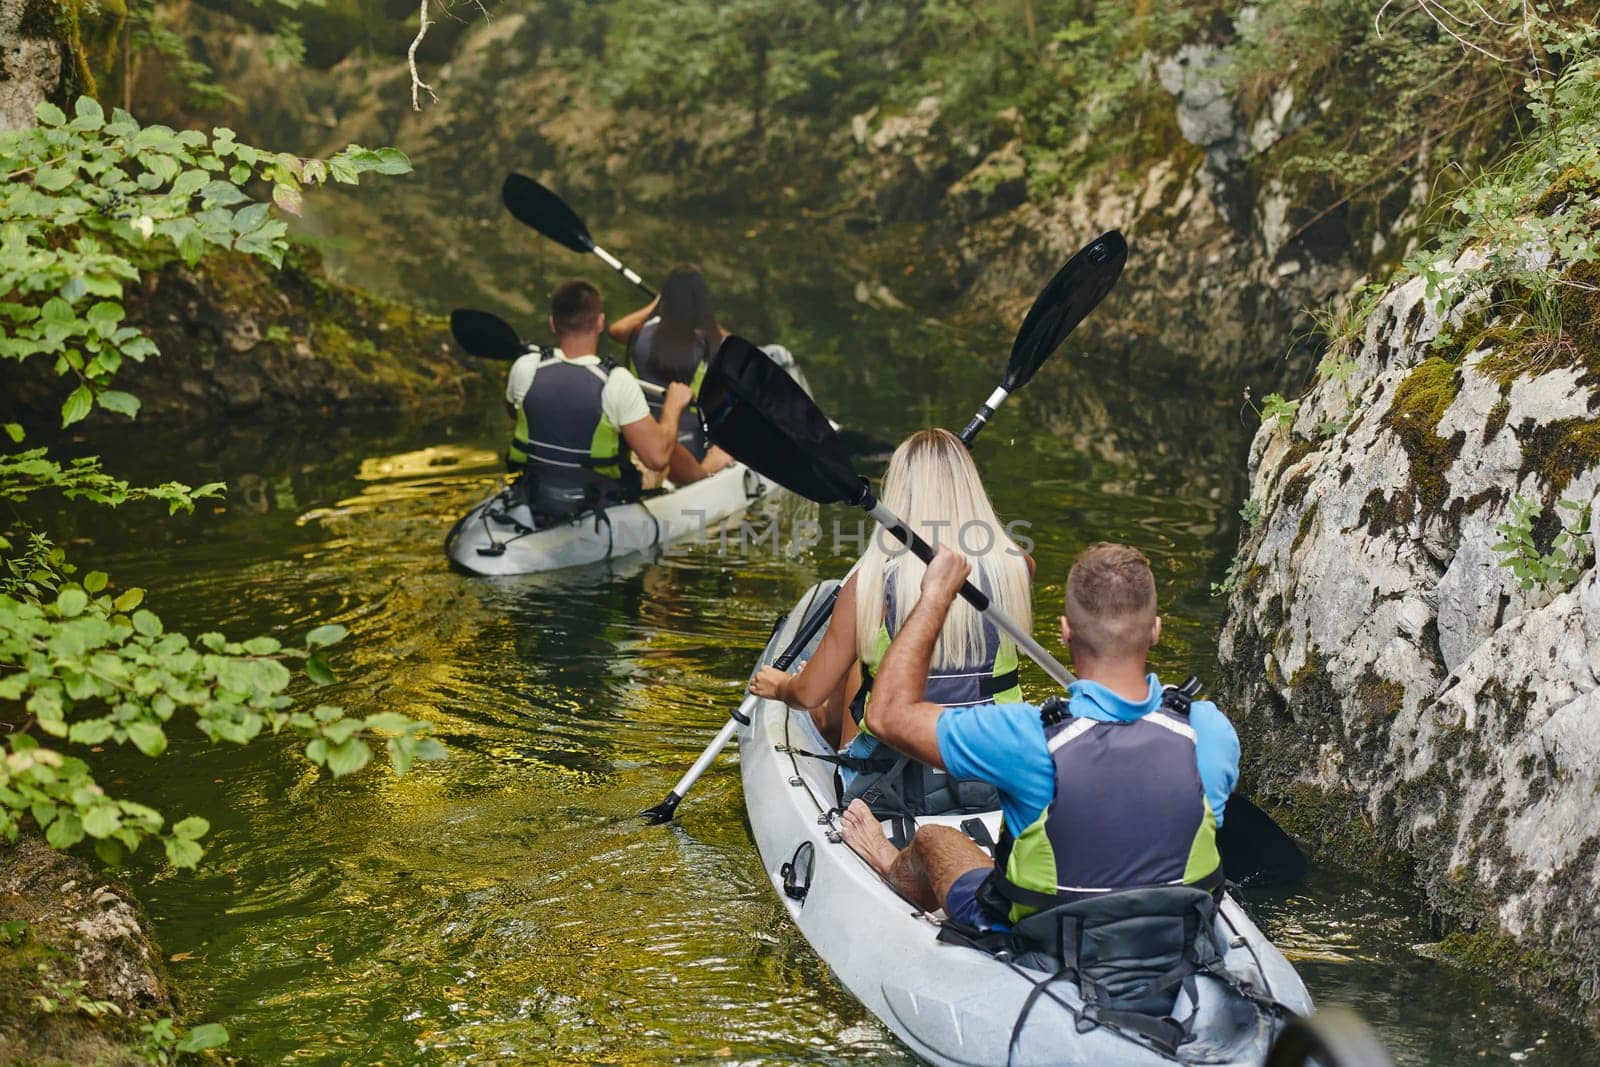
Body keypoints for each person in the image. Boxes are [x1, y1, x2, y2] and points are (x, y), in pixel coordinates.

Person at [837, 541, 1238, 932]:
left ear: (1064, 633)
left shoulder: (1024, 735)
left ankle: (886, 861)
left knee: (932, 839)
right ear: (1155, 631)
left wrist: (936, 596)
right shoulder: (1211, 730)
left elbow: (887, 715)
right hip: (1174, 925)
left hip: (1046, 936)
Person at [747, 428, 1033, 819]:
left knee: (852, 666)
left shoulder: (870, 583)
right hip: (998, 766)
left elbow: (809, 693)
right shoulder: (1018, 567)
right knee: (863, 657)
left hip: (896, 777)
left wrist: (780, 686)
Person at [503, 278, 699, 520]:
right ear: (600, 322)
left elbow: (516, 412)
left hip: (534, 490)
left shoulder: (525, 368)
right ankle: (706, 483)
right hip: (594, 501)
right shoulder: (616, 381)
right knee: (666, 447)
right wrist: (672, 407)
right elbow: (657, 458)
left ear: (552, 324)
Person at [608, 265, 733, 486]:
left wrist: (657, 303)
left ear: (665, 299)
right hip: (690, 446)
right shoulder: (713, 345)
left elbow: (616, 329)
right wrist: (707, 319)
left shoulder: (639, 334)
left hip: (641, 437)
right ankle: (705, 471)